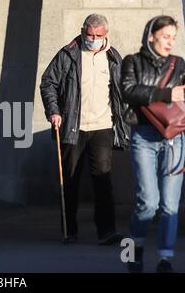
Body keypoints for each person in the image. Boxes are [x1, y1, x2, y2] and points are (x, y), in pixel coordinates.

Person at [121, 16, 185, 273]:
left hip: (174, 138)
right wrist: (167, 94)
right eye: (165, 36)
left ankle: (165, 258)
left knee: (170, 204)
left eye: (173, 38)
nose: (170, 42)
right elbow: (127, 90)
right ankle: (133, 246)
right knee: (148, 200)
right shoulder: (132, 62)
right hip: (144, 137)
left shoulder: (178, 65)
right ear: (151, 36)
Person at [40, 14, 130, 245]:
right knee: (69, 180)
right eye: (89, 35)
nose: (93, 39)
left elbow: (120, 92)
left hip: (103, 127)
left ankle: (107, 231)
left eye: (98, 36)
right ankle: (69, 231)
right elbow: (48, 82)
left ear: (105, 35)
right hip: (72, 127)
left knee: (103, 179)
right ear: (82, 31)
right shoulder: (68, 54)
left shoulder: (113, 57)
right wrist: (54, 110)